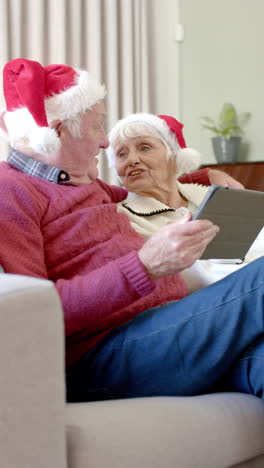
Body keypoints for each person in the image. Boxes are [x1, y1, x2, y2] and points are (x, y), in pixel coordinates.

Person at [1, 58, 264, 404]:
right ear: (59, 131)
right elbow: (31, 312)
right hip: (100, 356)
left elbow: (148, 186)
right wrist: (145, 266)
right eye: (97, 128)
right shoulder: (12, 191)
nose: (104, 143)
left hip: (165, 327)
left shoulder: (85, 185)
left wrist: (207, 176)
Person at [106, 113, 263, 292]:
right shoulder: (122, 219)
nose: (132, 160)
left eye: (144, 148)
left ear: (174, 157)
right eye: (121, 154)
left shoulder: (216, 197)